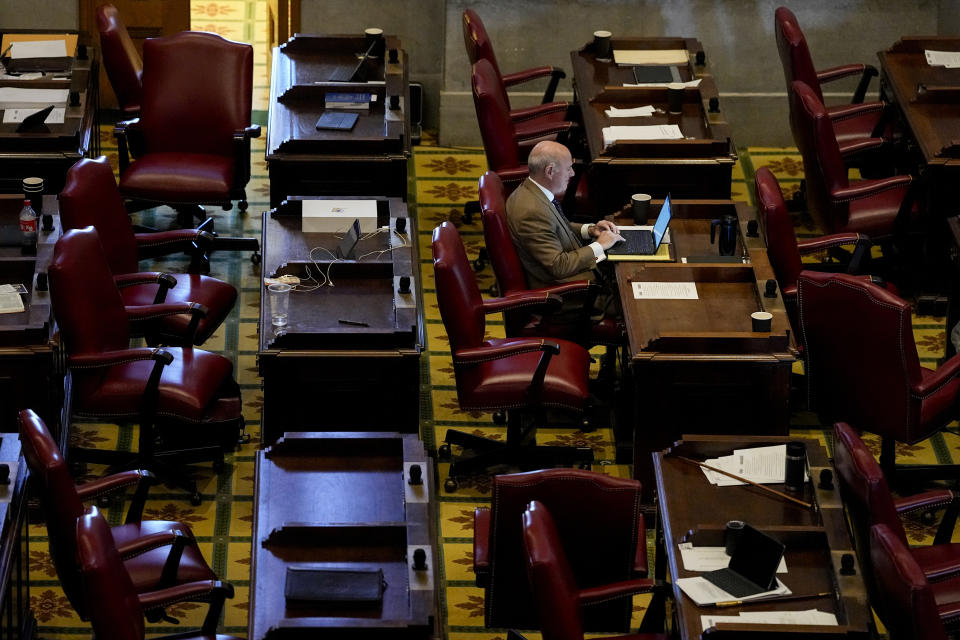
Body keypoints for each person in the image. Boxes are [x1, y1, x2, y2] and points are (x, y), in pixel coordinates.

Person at [506, 141, 623, 318]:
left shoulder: (531, 191)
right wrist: (600, 245)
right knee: (636, 305)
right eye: (568, 168)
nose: (572, 173)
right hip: (568, 299)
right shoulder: (531, 213)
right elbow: (558, 266)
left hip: (579, 279)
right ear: (550, 171)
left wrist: (590, 230)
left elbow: (557, 227)